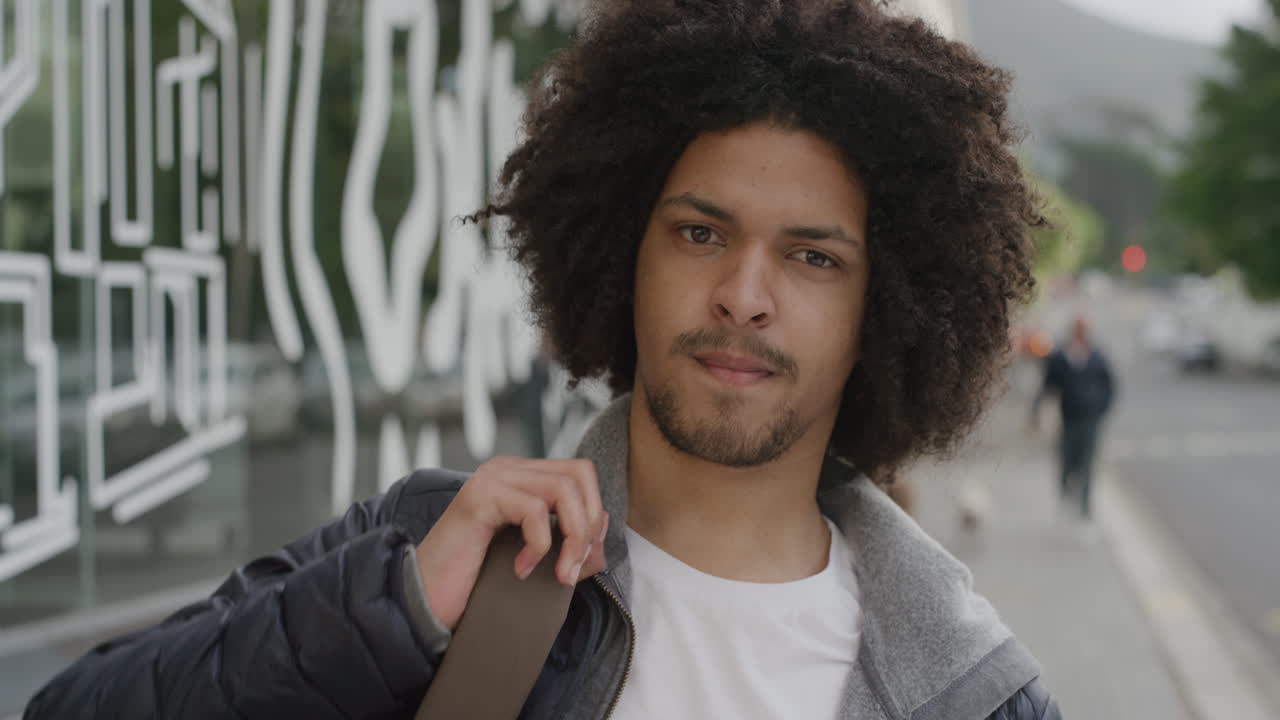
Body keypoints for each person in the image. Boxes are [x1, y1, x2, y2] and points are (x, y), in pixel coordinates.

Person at [25, 2, 1061, 718]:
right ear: (621, 255)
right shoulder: (434, 549)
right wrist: (393, 617)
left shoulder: (973, 692)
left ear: (885, 307)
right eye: (699, 233)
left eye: (811, 257)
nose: (743, 295)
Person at [1032, 313, 1116, 519]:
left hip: (1091, 420)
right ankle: (1065, 502)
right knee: (1067, 462)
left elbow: (1109, 385)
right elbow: (1048, 385)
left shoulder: (1097, 356)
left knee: (1087, 465)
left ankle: (1085, 510)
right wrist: (1036, 411)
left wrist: (1101, 408)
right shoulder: (1061, 356)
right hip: (1068, 419)